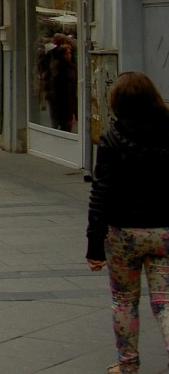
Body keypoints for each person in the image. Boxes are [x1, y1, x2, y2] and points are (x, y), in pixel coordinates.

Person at [86, 70, 169, 374]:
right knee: (165, 301)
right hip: (164, 230)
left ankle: (127, 364)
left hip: (123, 234)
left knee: (124, 301)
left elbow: (101, 193)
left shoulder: (111, 139)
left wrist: (94, 244)